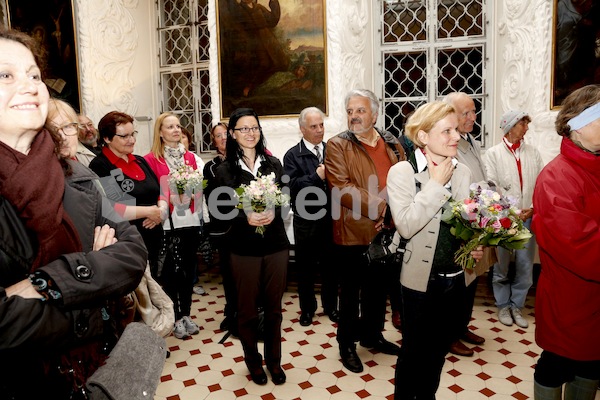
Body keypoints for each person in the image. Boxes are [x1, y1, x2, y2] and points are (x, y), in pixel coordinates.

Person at [0, 28, 147, 398]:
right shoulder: (98, 165)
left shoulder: (74, 174)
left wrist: (47, 282)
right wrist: (94, 288)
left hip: (93, 374)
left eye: (35, 75)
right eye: (6, 75)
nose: (31, 86)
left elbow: (131, 255)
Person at [387, 101, 484, 399]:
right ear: (424, 136)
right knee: (414, 353)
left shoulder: (463, 172)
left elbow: (464, 223)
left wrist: (473, 246)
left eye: (456, 129)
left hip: (455, 278)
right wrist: (437, 184)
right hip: (419, 280)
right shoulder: (402, 172)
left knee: (439, 351)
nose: (456, 136)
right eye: (447, 131)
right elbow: (405, 225)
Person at [324, 89, 404, 374]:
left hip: (389, 231)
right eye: (350, 111)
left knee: (378, 290)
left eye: (360, 110)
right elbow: (341, 187)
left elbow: (404, 178)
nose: (354, 116)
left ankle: (372, 335)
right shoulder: (337, 145)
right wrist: (382, 207)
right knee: (350, 295)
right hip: (353, 232)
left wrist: (399, 211)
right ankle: (346, 344)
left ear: (374, 113)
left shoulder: (393, 143)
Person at [210, 108, 289, 385]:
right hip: (243, 247)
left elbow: (286, 199)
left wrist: (274, 212)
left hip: (276, 243)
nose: (250, 133)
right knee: (245, 310)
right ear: (232, 134)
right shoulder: (223, 170)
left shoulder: (274, 164)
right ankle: (253, 362)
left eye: (254, 127)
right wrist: (246, 216)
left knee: (274, 309)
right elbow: (219, 209)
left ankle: (275, 363)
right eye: (243, 129)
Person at [531, 84, 600, 400]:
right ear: (577, 125)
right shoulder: (557, 177)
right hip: (571, 298)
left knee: (591, 367)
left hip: (592, 298)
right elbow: (581, 247)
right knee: (558, 362)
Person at [144, 112, 203, 340]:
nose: (176, 130)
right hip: (166, 223)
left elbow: (199, 191)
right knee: (169, 272)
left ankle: (186, 313)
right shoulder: (150, 160)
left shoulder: (190, 157)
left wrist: (192, 196)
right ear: (160, 132)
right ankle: (174, 316)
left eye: (178, 126)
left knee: (188, 269)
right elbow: (153, 192)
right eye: (170, 127)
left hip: (188, 220)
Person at [484, 110, 543, 329]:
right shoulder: (492, 153)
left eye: (526, 124)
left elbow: (541, 184)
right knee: (501, 264)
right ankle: (502, 305)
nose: (526, 128)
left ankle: (516, 304)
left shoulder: (533, 153)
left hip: (527, 217)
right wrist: (510, 211)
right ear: (510, 126)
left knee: (525, 266)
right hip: (503, 219)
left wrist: (533, 208)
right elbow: (491, 185)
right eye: (523, 124)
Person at [442, 91, 489, 357]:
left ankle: (461, 327)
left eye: (473, 111)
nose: (473, 117)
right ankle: (449, 335)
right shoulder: (448, 145)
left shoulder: (470, 141)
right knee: (456, 283)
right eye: (466, 113)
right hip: (459, 224)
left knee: (471, 281)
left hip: (477, 220)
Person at [283, 107, 339, 327]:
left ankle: (331, 307)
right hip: (305, 220)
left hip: (330, 219)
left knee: (330, 267)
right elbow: (291, 187)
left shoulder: (332, 150)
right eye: (313, 126)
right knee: (305, 267)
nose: (319, 130)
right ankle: (307, 310)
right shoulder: (292, 155)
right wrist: (316, 177)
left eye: (321, 125)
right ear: (302, 129)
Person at [89, 111, 164, 273]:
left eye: (133, 134)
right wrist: (150, 211)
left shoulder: (140, 160)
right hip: (127, 241)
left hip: (154, 237)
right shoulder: (101, 165)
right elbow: (114, 209)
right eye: (124, 136)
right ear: (107, 138)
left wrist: (159, 213)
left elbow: (159, 191)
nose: (132, 140)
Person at [203, 122, 237, 330]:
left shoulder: (243, 161)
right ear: (213, 141)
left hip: (245, 224)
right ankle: (231, 311)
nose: (223, 137)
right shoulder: (210, 167)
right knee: (229, 271)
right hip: (223, 226)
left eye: (226, 133)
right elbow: (210, 198)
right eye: (218, 135)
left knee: (247, 271)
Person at [180, 125, 210, 295]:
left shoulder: (196, 160)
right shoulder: (162, 159)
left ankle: (191, 281)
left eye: (184, 137)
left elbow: (201, 185)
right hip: (174, 211)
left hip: (194, 209)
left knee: (191, 249)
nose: (180, 140)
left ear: (189, 141)